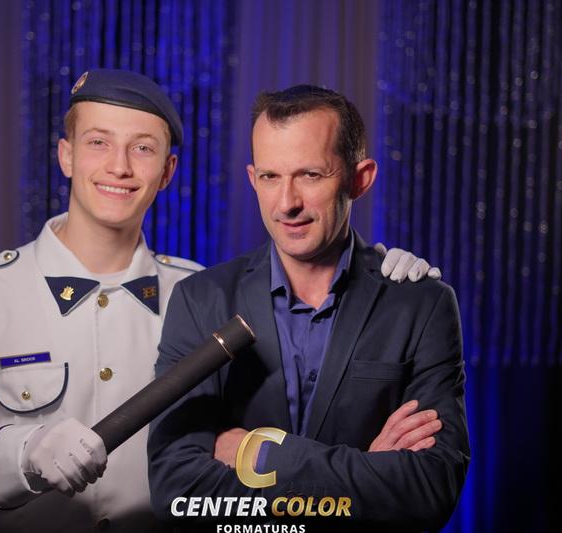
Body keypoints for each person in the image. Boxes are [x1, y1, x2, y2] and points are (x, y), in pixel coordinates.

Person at [0, 71, 439, 532]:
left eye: (142, 148)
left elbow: (282, 434)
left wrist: (371, 276)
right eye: (98, 143)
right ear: (66, 155)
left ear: (168, 171)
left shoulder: (207, 297)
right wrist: (18, 453)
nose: (119, 167)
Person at [148, 85, 470, 532]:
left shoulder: (422, 304)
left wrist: (260, 453)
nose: (287, 203)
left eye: (311, 175)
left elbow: (429, 489)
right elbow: (176, 493)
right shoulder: (201, 299)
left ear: (360, 179)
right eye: (270, 176)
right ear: (252, 178)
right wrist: (364, 474)